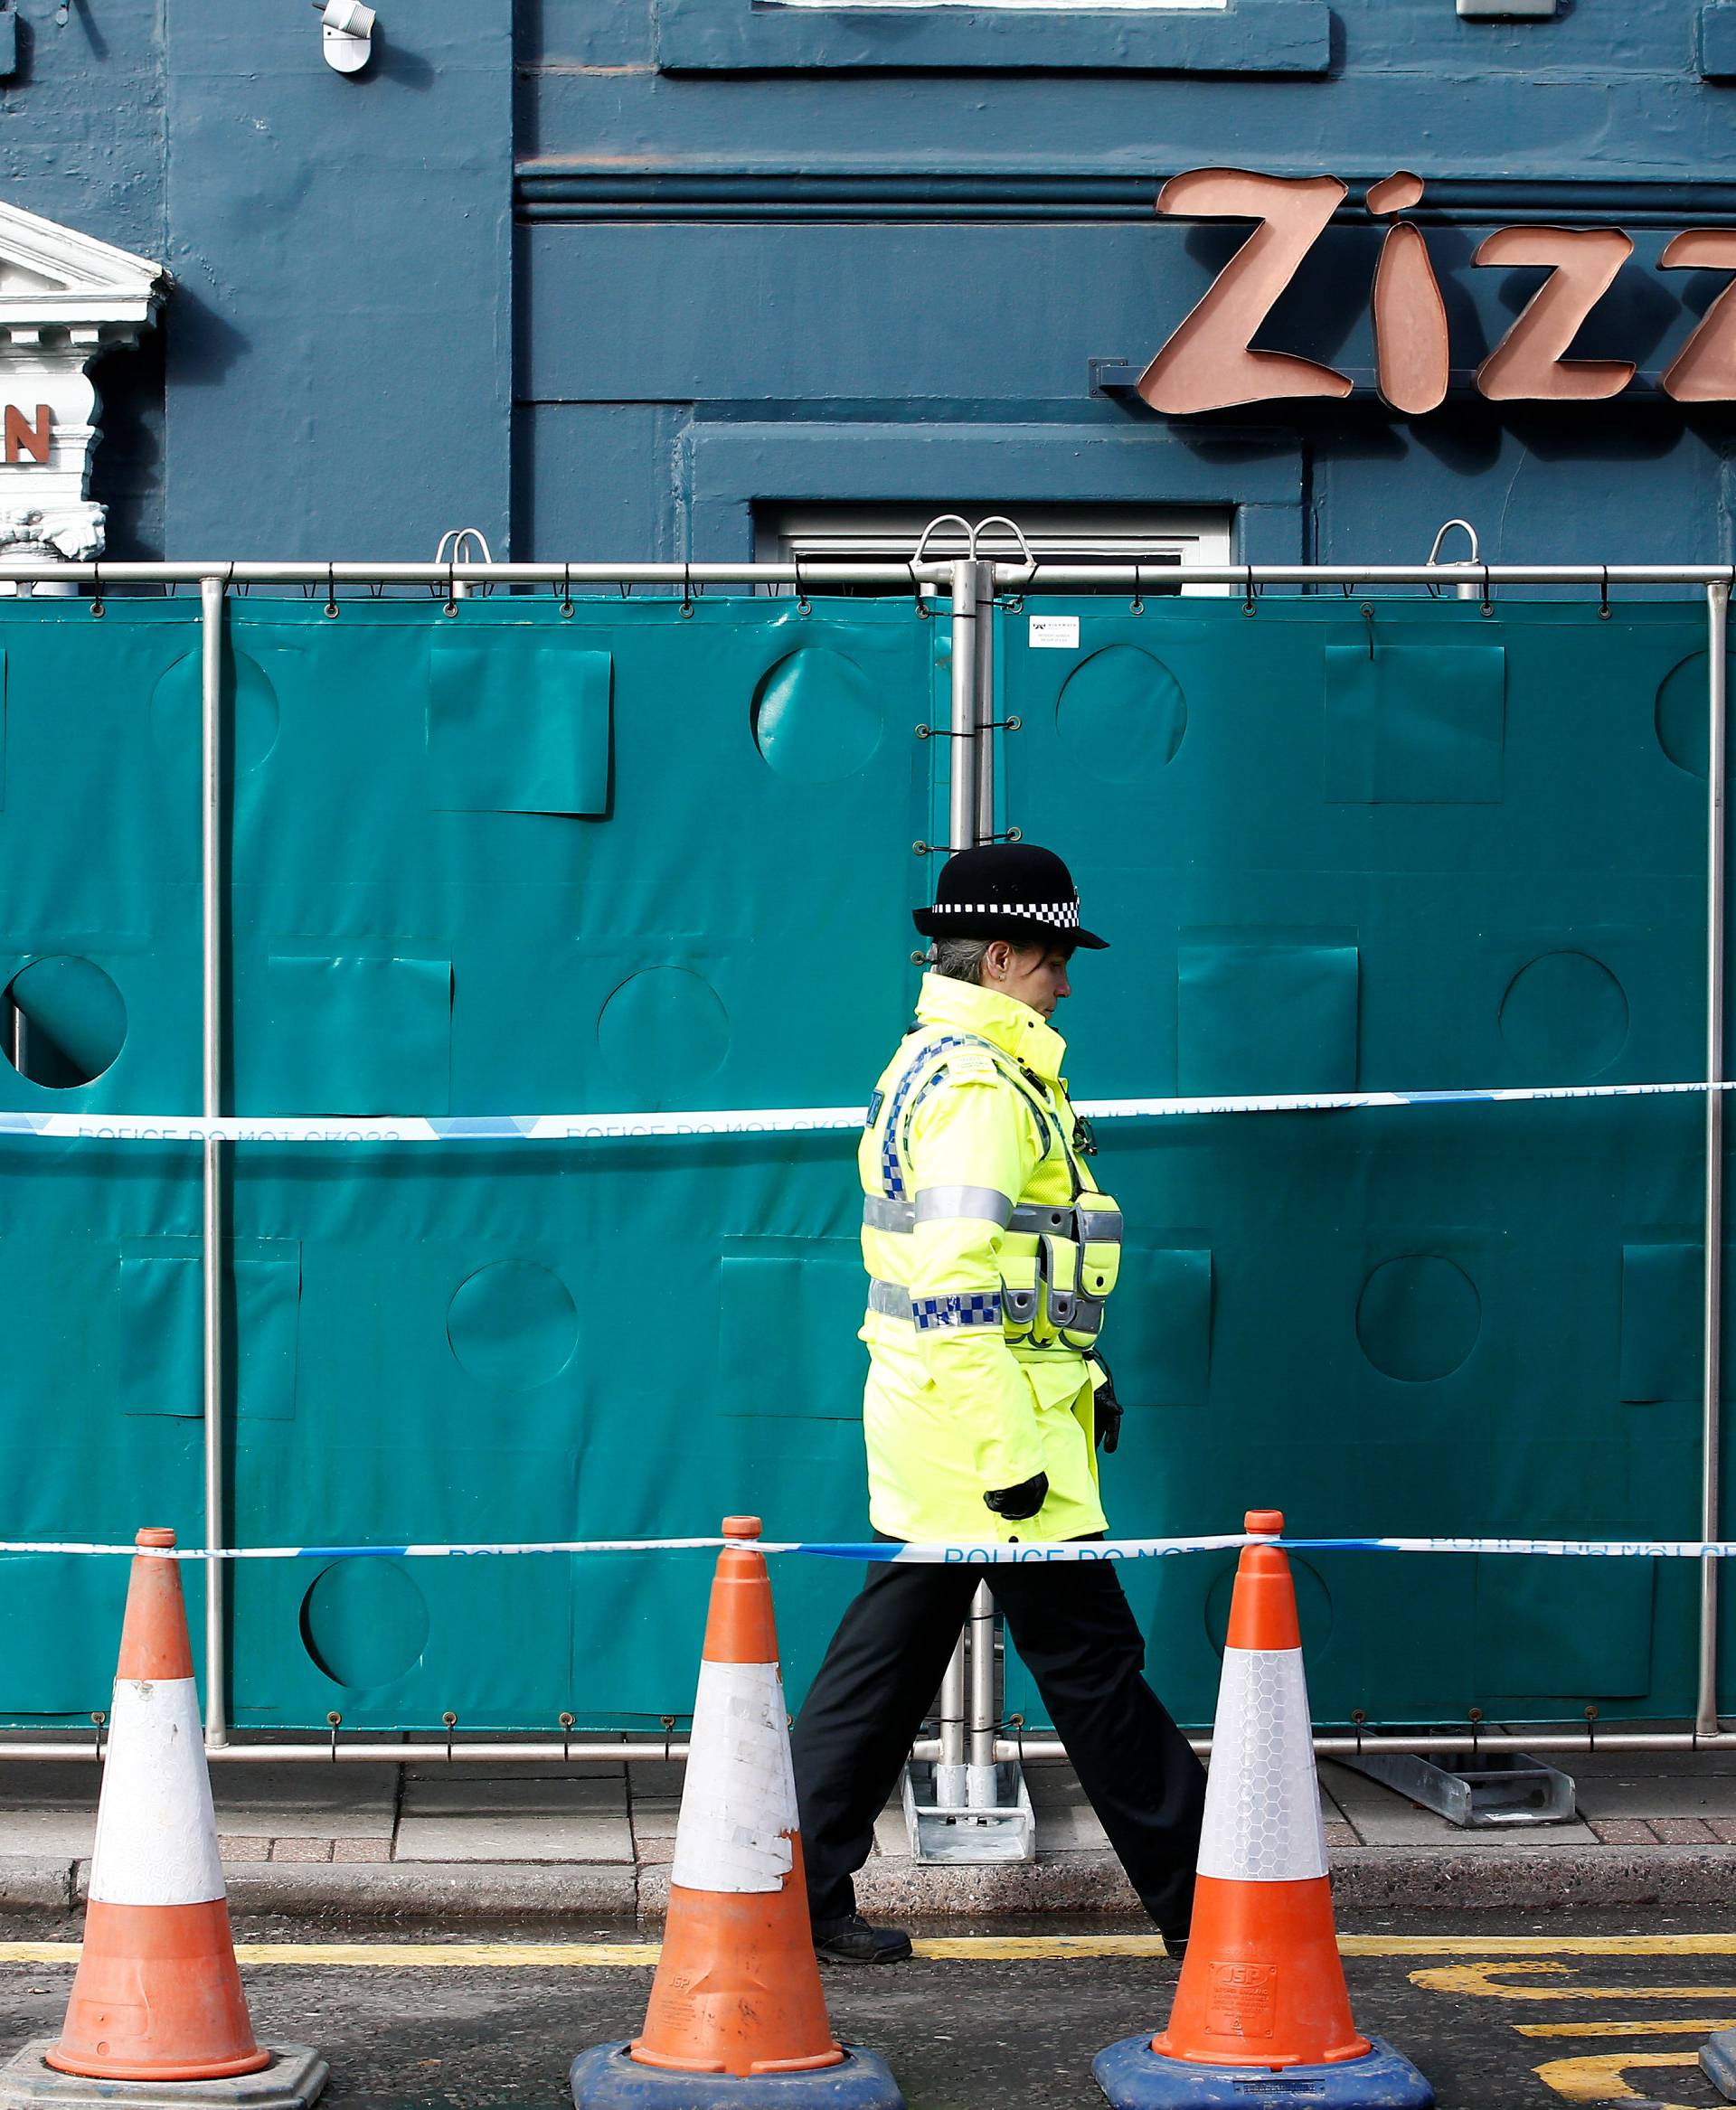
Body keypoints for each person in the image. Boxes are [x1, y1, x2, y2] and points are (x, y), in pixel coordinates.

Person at [789, 843, 1207, 1965]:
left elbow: (1009, 1272)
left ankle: (780, 1895)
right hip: (994, 1441)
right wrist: (1011, 1450)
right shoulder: (982, 1086)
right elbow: (958, 1292)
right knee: (1098, 1678)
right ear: (1006, 954)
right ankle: (1216, 1914)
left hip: (948, 1424)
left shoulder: (936, 1062)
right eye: (1056, 958)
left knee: (878, 1681)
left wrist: (1081, 1372)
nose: (1066, 982)